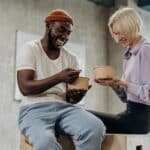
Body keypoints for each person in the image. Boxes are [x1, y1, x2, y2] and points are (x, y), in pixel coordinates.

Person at [17, 9, 105, 150]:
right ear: (49, 26)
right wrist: (59, 77)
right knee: (46, 143)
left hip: (65, 108)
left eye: (68, 33)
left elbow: (71, 100)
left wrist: (79, 94)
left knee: (95, 127)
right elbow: (25, 88)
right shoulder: (30, 49)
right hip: (33, 109)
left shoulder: (72, 58)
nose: (65, 36)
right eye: (61, 30)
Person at [93, 7, 150, 134]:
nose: (117, 39)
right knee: (83, 116)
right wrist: (113, 84)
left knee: (86, 117)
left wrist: (124, 83)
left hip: (141, 120)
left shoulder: (146, 50)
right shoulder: (128, 55)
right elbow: (125, 98)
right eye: (115, 34)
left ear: (130, 27)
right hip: (130, 115)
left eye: (119, 33)